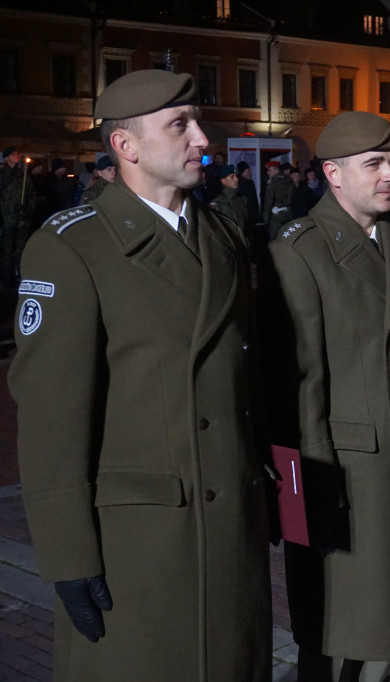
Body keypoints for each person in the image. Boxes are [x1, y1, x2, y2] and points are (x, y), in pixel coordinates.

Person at [9, 69, 271, 681]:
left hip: (227, 518)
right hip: (139, 541)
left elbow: (244, 381)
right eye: (179, 125)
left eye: (197, 122)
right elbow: (52, 416)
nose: (203, 138)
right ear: (125, 147)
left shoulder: (224, 238)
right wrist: (66, 553)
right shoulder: (74, 247)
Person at [265, 111, 390, 682]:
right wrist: (316, 485)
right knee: (346, 618)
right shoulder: (300, 250)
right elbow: (298, 381)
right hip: (349, 467)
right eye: (373, 165)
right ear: (333, 174)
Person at [0, 145, 37, 285]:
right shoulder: (3, 174)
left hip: (23, 218)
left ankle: (20, 273)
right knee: (8, 249)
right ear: (8, 157)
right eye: (15, 154)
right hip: (8, 217)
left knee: (21, 248)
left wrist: (28, 209)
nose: (18, 156)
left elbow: (31, 194)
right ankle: (7, 277)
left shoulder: (24, 174)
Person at [211, 163, 249, 234]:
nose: (237, 179)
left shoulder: (241, 199)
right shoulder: (217, 202)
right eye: (232, 177)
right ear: (223, 180)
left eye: (236, 176)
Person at [262, 159, 293, 238]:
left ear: (276, 171)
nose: (267, 172)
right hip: (288, 215)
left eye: (270, 170)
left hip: (276, 218)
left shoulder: (273, 184)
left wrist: (266, 219)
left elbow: (268, 202)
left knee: (275, 240)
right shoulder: (289, 181)